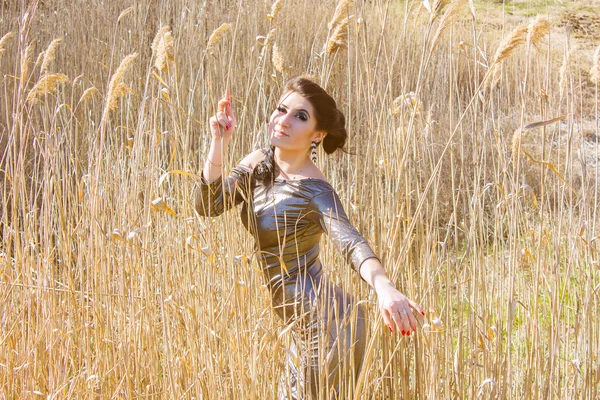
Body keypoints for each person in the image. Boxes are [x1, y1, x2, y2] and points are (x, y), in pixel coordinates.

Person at [195, 77, 424, 399]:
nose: (284, 120)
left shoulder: (315, 189)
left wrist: (385, 287)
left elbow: (351, 241)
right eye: (281, 109)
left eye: (300, 116)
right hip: (301, 322)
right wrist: (218, 141)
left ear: (317, 134)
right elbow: (209, 204)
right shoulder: (259, 162)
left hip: (329, 325)